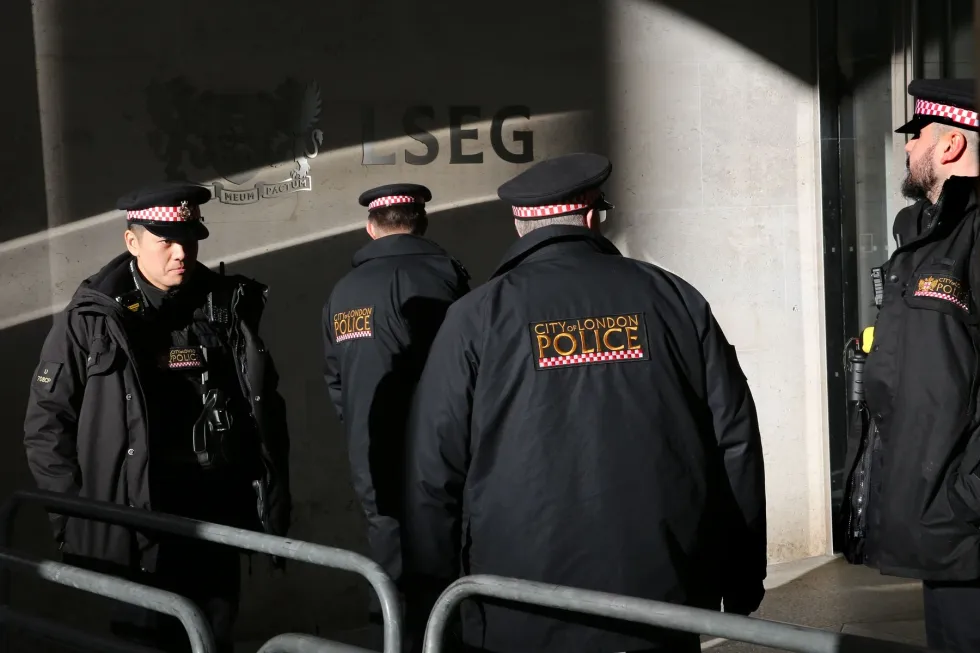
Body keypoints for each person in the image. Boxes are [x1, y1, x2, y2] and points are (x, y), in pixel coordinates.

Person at [402, 153, 768, 653]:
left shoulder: (475, 318)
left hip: (521, 604)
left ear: (519, 223)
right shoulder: (674, 299)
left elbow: (432, 470)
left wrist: (433, 601)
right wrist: (741, 576)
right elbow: (735, 441)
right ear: (593, 216)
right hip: (659, 598)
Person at [23, 182, 291, 653]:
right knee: (145, 640)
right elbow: (46, 426)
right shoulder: (91, 319)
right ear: (132, 241)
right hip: (138, 522)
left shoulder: (224, 307)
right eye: (165, 240)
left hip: (214, 513)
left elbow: (263, 405)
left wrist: (268, 496)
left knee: (212, 635)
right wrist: (78, 519)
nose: (180, 253)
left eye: (188, 239)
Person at [840, 79, 980, 652]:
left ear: (948, 146)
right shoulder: (922, 238)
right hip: (942, 522)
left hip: (963, 515)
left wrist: (967, 495)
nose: (906, 147)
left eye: (915, 135)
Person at [321, 183, 470, 636]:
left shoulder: (343, 292)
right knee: (449, 570)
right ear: (421, 223)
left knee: (387, 566)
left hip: (371, 453)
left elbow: (337, 383)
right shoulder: (449, 280)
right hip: (445, 451)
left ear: (371, 228)